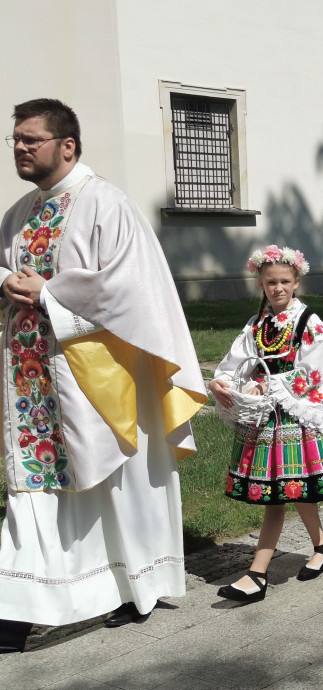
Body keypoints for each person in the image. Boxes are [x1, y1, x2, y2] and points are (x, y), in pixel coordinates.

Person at [0, 98, 206, 649]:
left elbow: (129, 290)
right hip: (32, 376)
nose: (19, 147)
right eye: (15, 139)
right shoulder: (19, 213)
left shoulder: (106, 204)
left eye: (31, 139)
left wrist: (50, 294)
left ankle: (134, 584)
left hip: (100, 375)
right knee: (38, 482)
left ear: (67, 146)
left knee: (115, 482)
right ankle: (23, 601)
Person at [208, 245, 323, 603]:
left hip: (294, 419)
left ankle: (257, 574)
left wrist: (271, 382)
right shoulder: (257, 324)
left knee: (281, 491)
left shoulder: (309, 323)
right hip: (263, 419)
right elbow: (235, 361)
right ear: (260, 283)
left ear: (297, 281)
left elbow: (315, 372)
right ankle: (322, 546)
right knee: (292, 488)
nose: (277, 288)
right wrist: (220, 381)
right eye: (270, 282)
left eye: (284, 281)